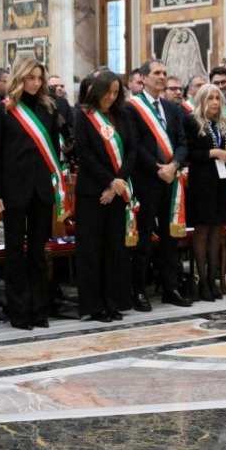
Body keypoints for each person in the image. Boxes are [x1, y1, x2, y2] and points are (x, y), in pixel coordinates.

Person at [0, 56, 66, 331]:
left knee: (37, 251)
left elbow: (53, 152)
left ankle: (39, 309)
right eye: (30, 78)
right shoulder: (1, 110)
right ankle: (19, 311)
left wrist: (57, 186)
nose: (35, 83)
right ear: (19, 78)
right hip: (12, 190)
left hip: (42, 189)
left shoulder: (48, 108)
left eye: (39, 78)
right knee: (14, 252)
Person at [125, 59, 191, 309]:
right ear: (143, 78)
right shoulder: (132, 107)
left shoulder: (172, 108)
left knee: (169, 237)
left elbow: (182, 142)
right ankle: (138, 291)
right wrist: (158, 169)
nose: (162, 77)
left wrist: (174, 165)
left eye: (164, 73)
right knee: (143, 238)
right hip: (146, 180)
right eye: (157, 73)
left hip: (171, 180)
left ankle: (170, 288)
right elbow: (134, 145)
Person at [73, 70, 136, 322]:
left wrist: (118, 182)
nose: (111, 97)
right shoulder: (83, 116)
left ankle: (114, 302)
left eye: (115, 92)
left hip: (117, 192)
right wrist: (109, 181)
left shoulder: (123, 114)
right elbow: (84, 154)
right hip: (92, 193)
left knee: (114, 249)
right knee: (92, 250)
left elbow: (131, 150)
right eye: (108, 92)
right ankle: (94, 305)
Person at [183, 84, 226, 301]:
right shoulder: (191, 121)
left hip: (221, 181)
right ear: (201, 101)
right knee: (202, 230)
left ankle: (213, 280)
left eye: (217, 98)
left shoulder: (222, 122)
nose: (215, 102)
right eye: (210, 98)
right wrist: (213, 152)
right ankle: (202, 281)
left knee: (216, 230)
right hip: (201, 181)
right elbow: (188, 153)